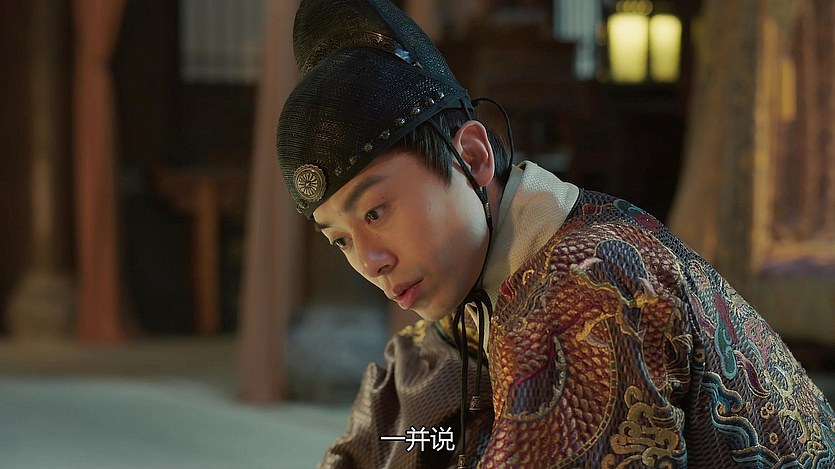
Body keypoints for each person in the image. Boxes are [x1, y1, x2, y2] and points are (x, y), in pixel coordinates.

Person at [275, 0, 835, 467]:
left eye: (375, 212)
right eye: (340, 238)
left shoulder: (590, 286)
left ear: (471, 157)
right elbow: (404, 437)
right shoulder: (464, 294)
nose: (369, 260)